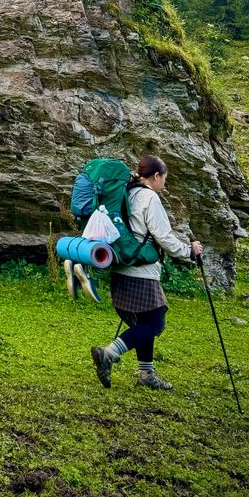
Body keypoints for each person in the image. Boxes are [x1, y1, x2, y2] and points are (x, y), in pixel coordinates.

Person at [90, 154, 203, 391]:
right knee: (154, 322)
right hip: (141, 271)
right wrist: (189, 252)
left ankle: (146, 374)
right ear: (155, 176)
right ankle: (109, 353)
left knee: (144, 321)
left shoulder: (127, 193)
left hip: (121, 265)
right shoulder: (150, 198)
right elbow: (163, 236)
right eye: (164, 178)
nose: (165, 183)